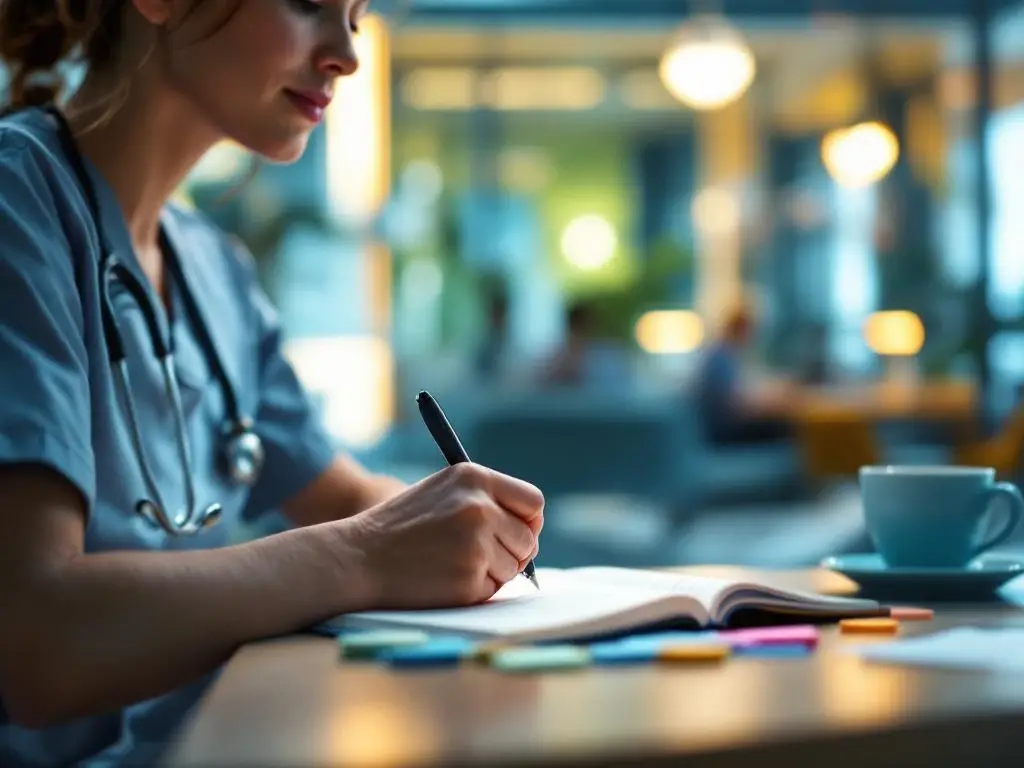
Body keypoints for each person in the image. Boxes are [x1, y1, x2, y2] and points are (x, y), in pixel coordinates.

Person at [0, 2, 543, 765]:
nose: (348, 55)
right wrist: (365, 556)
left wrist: (480, 537)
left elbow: (349, 497)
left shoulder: (215, 270)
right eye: (309, 5)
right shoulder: (16, 205)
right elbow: (34, 640)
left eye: (355, 16)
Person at [692, 304, 793, 445]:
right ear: (741, 330)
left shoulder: (724, 354)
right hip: (724, 432)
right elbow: (736, 406)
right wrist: (775, 405)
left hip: (722, 427)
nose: (752, 339)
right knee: (788, 427)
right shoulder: (721, 357)